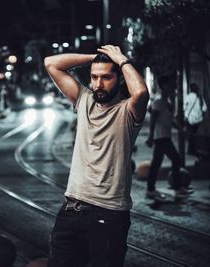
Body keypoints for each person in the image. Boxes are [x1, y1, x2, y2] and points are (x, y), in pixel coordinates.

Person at [44, 45, 149, 267]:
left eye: (106, 78)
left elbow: (140, 92)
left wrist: (120, 59)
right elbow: (50, 63)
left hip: (109, 215)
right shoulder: (84, 100)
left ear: (120, 79)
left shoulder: (128, 111)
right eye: (94, 77)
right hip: (72, 208)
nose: (98, 84)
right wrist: (97, 58)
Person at [145, 76, 192, 199]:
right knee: (175, 160)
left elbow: (170, 120)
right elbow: (153, 119)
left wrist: (180, 129)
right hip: (160, 138)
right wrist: (150, 136)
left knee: (157, 163)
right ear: (164, 86)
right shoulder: (158, 101)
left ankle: (151, 189)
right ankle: (176, 188)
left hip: (165, 137)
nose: (173, 86)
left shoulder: (167, 102)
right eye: (171, 84)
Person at [184, 83, 207, 155]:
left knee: (190, 134)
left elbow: (184, 107)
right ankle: (195, 149)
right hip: (199, 119)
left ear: (190, 89)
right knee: (195, 135)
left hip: (190, 119)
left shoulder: (187, 97)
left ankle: (191, 149)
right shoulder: (200, 98)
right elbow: (204, 108)